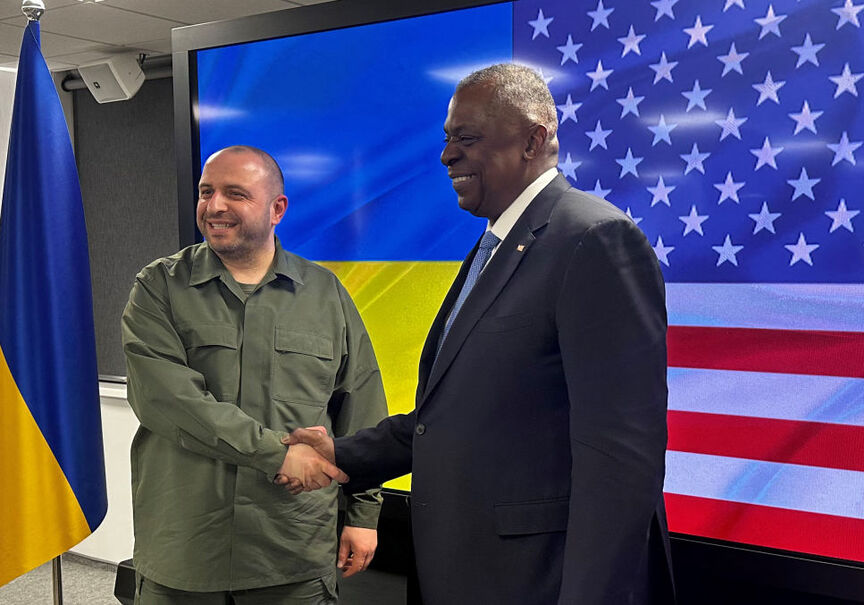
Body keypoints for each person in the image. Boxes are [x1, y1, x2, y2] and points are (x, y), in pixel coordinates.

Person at [286, 63, 675, 604]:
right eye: (447, 140)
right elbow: (448, 417)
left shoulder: (595, 240)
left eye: (466, 139)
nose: (447, 156)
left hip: (534, 581)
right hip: (466, 572)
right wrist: (342, 453)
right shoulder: (497, 244)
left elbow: (620, 461)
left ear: (534, 139)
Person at [121, 145, 388, 604]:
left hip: (292, 551)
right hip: (185, 556)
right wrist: (277, 455)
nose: (215, 205)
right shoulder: (158, 287)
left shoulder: (325, 294)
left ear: (276, 208)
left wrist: (364, 514)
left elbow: (360, 407)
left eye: (235, 193)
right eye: (207, 192)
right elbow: (169, 400)